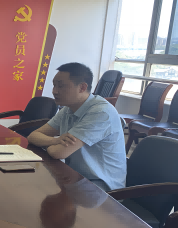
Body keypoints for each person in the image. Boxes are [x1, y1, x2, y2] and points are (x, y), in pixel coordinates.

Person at [28, 63, 126, 191]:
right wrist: (55, 141)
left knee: (35, 190)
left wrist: (50, 144)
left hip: (101, 187)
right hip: (75, 176)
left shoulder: (100, 112)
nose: (54, 91)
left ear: (82, 87)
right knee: (30, 186)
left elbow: (59, 153)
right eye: (54, 85)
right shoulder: (68, 108)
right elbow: (33, 136)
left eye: (61, 86)